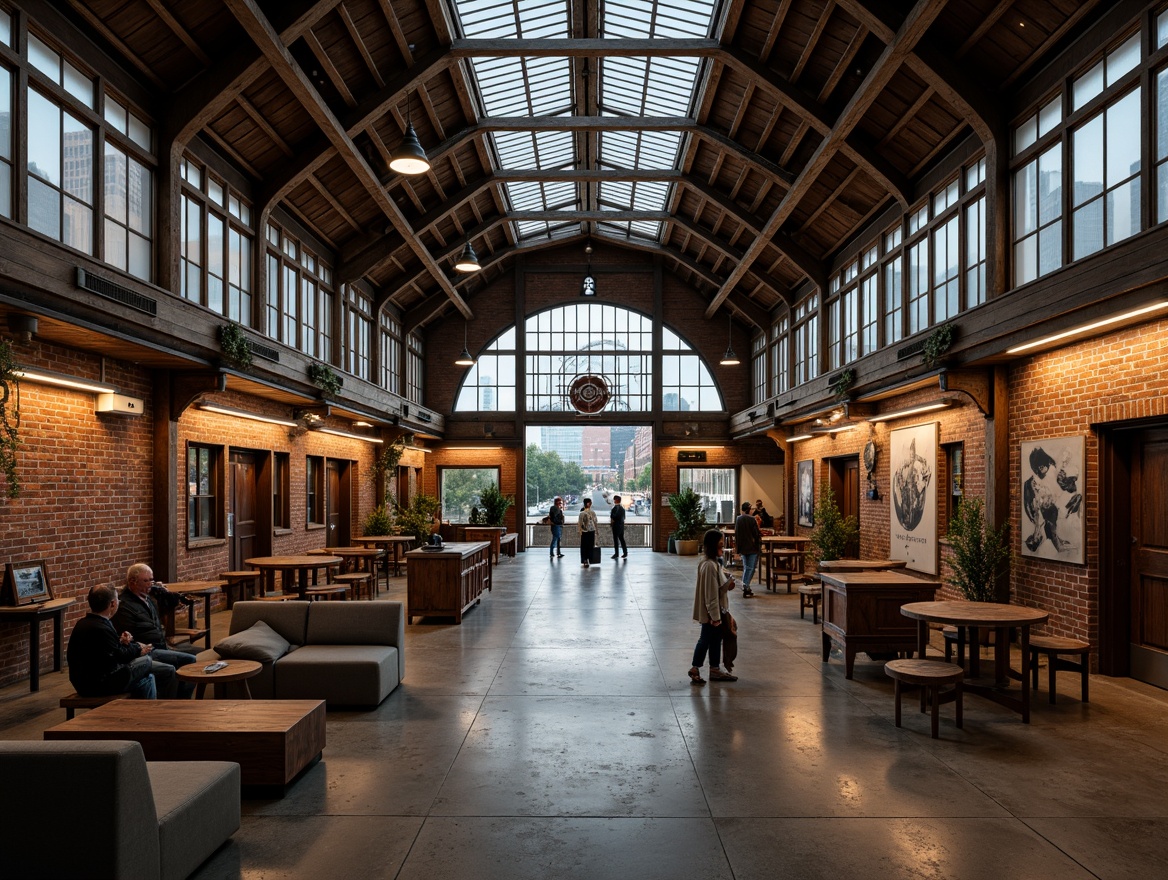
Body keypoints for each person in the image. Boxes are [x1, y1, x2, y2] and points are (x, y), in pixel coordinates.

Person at [112, 563, 196, 698]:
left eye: (152, 580)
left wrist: (166, 594)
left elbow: (168, 609)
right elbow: (127, 638)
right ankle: (175, 702)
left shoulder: (148, 599)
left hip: (160, 646)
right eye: (146, 580)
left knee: (193, 658)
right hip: (147, 651)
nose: (150, 583)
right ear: (132, 582)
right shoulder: (124, 606)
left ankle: (181, 698)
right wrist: (141, 648)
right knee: (187, 661)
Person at [67, 585, 159, 699]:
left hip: (82, 682)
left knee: (147, 679)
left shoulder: (84, 623)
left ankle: (144, 712)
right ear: (112, 604)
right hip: (97, 684)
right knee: (146, 661)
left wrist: (121, 641)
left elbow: (106, 649)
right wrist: (139, 648)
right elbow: (121, 656)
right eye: (118, 600)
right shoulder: (101, 627)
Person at [688, 529, 738, 684]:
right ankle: (695, 667)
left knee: (715, 639)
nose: (723, 548)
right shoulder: (710, 566)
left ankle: (714, 669)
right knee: (706, 639)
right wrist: (715, 616)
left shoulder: (712, 563)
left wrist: (727, 583)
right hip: (712, 612)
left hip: (715, 610)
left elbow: (718, 586)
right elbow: (711, 594)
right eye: (720, 545)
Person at [735, 501, 761, 598]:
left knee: (746, 567)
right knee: (751, 568)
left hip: (743, 547)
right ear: (749, 510)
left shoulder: (738, 519)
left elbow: (737, 534)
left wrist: (738, 549)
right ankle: (745, 585)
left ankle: (746, 586)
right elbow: (756, 534)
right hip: (752, 547)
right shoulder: (752, 519)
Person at [578, 497, 598, 568]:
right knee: (586, 546)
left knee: (588, 545)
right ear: (588, 503)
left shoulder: (591, 512)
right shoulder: (583, 513)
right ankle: (586, 559)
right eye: (590, 502)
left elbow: (595, 521)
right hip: (586, 531)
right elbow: (580, 523)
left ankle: (587, 559)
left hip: (589, 531)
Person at [609, 494, 628, 559]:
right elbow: (624, 517)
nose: (613, 500)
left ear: (616, 500)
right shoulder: (622, 508)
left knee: (616, 540)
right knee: (622, 539)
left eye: (614, 499)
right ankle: (625, 553)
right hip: (621, 526)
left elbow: (614, 516)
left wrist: (612, 515)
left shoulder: (615, 508)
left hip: (616, 526)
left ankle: (616, 553)